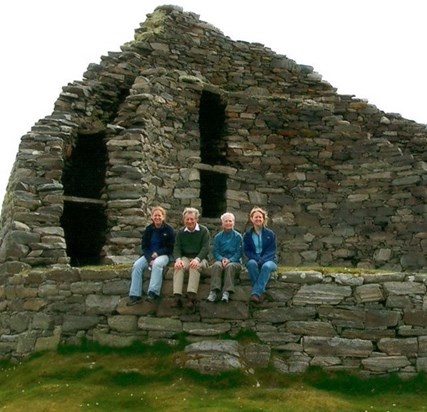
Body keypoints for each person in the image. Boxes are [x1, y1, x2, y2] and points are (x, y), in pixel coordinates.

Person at [127, 206, 175, 306]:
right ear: (152, 217)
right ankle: (135, 295)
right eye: (155, 215)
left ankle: (153, 293)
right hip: (149, 254)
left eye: (159, 215)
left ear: (163, 217)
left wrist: (158, 253)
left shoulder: (169, 230)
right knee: (136, 265)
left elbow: (170, 247)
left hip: (164, 255)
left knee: (157, 264)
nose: (157, 217)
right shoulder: (148, 229)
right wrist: (149, 258)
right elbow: (144, 247)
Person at [172, 207, 210, 309]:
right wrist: (178, 259)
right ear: (184, 220)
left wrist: (197, 259)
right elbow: (177, 247)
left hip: (201, 258)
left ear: (196, 219)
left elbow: (205, 248)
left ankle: (191, 298)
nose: (189, 221)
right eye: (187, 219)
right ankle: (177, 297)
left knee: (194, 267)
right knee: (179, 267)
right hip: (185, 257)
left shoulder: (204, 231)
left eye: (192, 219)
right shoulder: (180, 232)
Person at [243, 207, 277, 304]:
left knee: (266, 266)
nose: (258, 219)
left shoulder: (270, 234)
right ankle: (261, 292)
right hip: (255, 259)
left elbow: (272, 250)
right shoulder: (248, 235)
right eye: (256, 217)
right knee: (251, 264)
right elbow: (247, 251)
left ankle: (256, 293)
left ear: (263, 219)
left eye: (260, 217)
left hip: (269, 260)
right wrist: (256, 258)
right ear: (251, 219)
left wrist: (263, 259)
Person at [206, 212, 242, 303]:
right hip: (221, 260)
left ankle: (226, 292)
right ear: (222, 223)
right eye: (226, 221)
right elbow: (216, 252)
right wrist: (222, 259)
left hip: (235, 261)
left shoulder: (238, 237)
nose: (228, 223)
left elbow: (239, 252)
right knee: (216, 266)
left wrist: (230, 260)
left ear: (233, 222)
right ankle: (214, 291)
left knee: (230, 267)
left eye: (230, 221)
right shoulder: (218, 237)